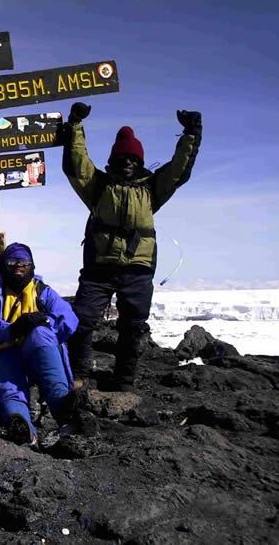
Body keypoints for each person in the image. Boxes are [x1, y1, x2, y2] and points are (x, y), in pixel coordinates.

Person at [61, 102, 202, 391]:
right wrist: (74, 124)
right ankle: (78, 374)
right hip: (99, 269)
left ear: (139, 161)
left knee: (132, 327)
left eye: (132, 158)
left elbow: (179, 170)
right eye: (122, 157)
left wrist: (191, 132)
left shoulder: (152, 188)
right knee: (82, 319)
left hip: (137, 271)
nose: (127, 162)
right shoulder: (98, 186)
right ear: (113, 159)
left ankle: (123, 381)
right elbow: (77, 163)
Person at [0, 242, 78, 445]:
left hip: (39, 349)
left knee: (41, 333)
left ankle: (68, 419)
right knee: (9, 390)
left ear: (32, 265)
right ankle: (22, 429)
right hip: (4, 350)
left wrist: (45, 322)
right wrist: (13, 328)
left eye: (24, 262)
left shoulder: (43, 292)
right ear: (4, 265)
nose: (18, 266)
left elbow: (68, 319)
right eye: (12, 262)